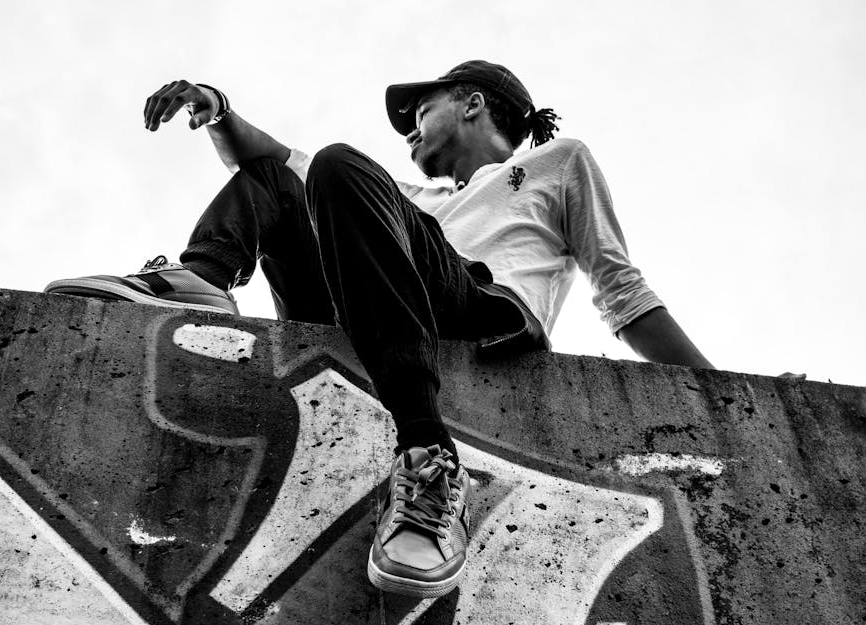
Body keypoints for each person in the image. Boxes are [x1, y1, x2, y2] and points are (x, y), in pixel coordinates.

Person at [45, 60, 714, 598]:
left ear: (472, 103)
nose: (410, 132)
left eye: (422, 112)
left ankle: (427, 461)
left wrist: (711, 388)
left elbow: (621, 289)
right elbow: (276, 158)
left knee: (338, 164)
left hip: (476, 306)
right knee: (286, 177)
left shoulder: (557, 163)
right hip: (381, 304)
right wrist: (216, 107)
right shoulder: (418, 200)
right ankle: (200, 278)